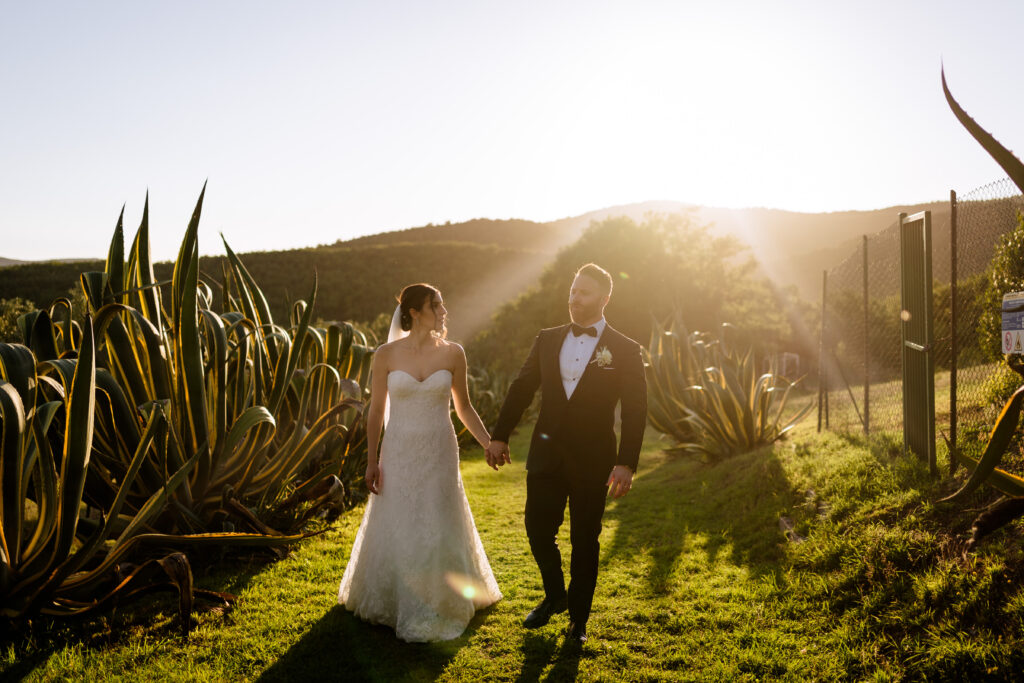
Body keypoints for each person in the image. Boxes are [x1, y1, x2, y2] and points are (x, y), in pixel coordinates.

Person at [486, 263, 647, 646]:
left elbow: (636, 408)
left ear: (605, 299)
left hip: (595, 460)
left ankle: (578, 620)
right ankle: (555, 594)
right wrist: (499, 435)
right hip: (546, 454)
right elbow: (522, 387)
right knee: (537, 531)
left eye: (584, 293)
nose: (575, 299)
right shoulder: (547, 338)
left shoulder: (625, 349)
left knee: (584, 540)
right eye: (573, 291)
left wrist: (625, 462)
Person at [338, 283, 501, 642]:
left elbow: (464, 408)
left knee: (439, 518)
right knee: (402, 518)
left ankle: (447, 596)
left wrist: (489, 443)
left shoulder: (454, 353)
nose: (444, 311)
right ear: (414, 312)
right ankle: (399, 598)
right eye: (436, 305)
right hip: (398, 452)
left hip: (440, 450)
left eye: (442, 304)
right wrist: (370, 461)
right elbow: (377, 410)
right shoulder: (386, 354)